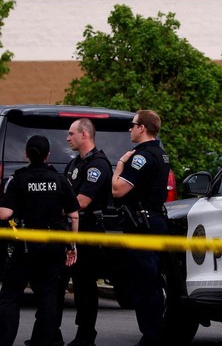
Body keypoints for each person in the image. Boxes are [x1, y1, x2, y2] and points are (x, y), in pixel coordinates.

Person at [0, 135, 80, 346]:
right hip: (51, 247)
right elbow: (74, 215)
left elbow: (5, 213)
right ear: (48, 155)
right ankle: (41, 342)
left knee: (10, 296)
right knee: (48, 297)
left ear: (26, 154)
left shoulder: (17, 179)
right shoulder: (60, 180)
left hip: (23, 246)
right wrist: (72, 245)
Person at [111, 110, 170, 346]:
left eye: (132, 125)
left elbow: (118, 190)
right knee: (152, 282)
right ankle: (155, 333)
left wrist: (119, 165)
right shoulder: (161, 153)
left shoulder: (140, 157)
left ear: (142, 128)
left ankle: (152, 337)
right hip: (154, 222)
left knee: (145, 284)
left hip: (143, 226)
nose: (130, 129)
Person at [60, 118, 114, 346]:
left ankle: (86, 334)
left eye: (71, 133)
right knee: (69, 283)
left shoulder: (98, 165)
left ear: (84, 134)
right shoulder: (74, 165)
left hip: (89, 233)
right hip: (70, 233)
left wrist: (53, 206)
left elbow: (81, 201)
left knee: (85, 285)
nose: (67, 137)